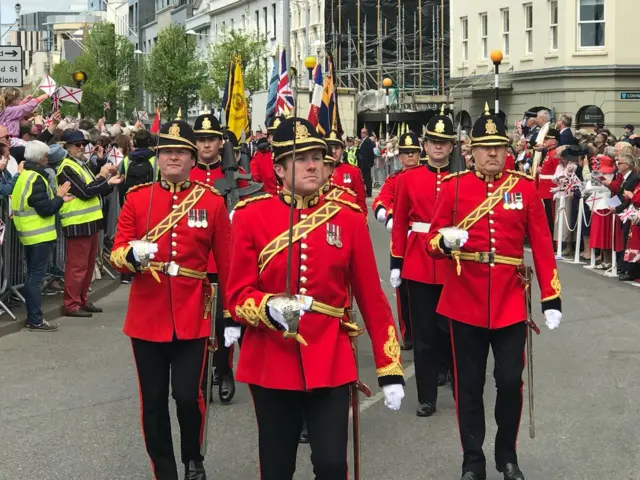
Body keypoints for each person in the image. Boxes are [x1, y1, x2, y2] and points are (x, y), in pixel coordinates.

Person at [226, 117, 405, 480]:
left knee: (331, 465)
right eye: (301, 157)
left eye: (318, 157)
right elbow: (235, 296)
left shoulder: (349, 219)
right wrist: (266, 306)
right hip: (271, 358)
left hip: (331, 356)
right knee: (277, 467)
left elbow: (372, 298)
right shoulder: (250, 216)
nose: (313, 165)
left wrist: (390, 366)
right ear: (279, 167)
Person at [425, 106, 562, 480]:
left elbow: (542, 244)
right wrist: (444, 240)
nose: (492, 154)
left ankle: (507, 455)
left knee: (507, 380)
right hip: (463, 298)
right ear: (470, 151)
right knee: (468, 385)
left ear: (507, 149)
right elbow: (430, 244)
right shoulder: (454, 188)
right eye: (485, 147)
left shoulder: (524, 187)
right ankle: (473, 459)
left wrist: (551, 296)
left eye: (498, 147)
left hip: (508, 302)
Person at [110, 120, 233, 480]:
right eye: (167, 152)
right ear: (158, 158)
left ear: (193, 158)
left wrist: (233, 319)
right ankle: (163, 469)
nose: (173, 157)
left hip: (192, 311)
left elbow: (228, 265)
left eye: (181, 151)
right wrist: (131, 257)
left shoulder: (210, 202)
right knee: (152, 401)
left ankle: (193, 456)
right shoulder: (138, 198)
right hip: (147, 314)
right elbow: (118, 250)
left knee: (186, 395)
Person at [390, 110, 456, 418]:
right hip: (418, 262)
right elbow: (401, 220)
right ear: (425, 146)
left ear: (452, 147)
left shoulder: (461, 179)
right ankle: (426, 396)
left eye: (444, 143)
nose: (439, 148)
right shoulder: (408, 179)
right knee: (425, 333)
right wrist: (396, 261)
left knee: (453, 330)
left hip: (453, 263)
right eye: (434, 142)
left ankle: (459, 383)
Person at [190, 113, 246, 404]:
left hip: (226, 260)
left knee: (226, 321)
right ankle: (200, 371)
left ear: (219, 142)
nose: (206, 145)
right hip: (196, 262)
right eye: (200, 139)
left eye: (211, 139)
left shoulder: (233, 174)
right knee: (197, 322)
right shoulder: (187, 175)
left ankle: (224, 369)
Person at [57, 130, 123, 317]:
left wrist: (108, 182)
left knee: (87, 265)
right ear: (66, 147)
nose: (81, 148)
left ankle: (82, 299)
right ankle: (72, 304)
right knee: (77, 266)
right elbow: (86, 192)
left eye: (83, 144)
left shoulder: (81, 165)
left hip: (90, 221)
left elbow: (93, 189)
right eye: (76, 145)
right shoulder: (67, 167)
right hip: (77, 222)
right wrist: (103, 177)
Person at [11, 141, 74, 331]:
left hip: (29, 233)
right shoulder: (36, 178)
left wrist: (58, 198)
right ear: (39, 159)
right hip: (39, 235)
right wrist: (59, 196)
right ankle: (35, 319)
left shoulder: (26, 175)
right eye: (46, 156)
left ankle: (34, 318)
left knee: (32, 276)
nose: (48, 159)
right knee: (34, 278)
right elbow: (45, 209)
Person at [325, 130, 368, 216]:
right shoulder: (316, 171)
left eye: (337, 148)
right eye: (330, 148)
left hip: (346, 220)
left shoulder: (353, 172)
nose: (333, 151)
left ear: (342, 150)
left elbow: (360, 203)